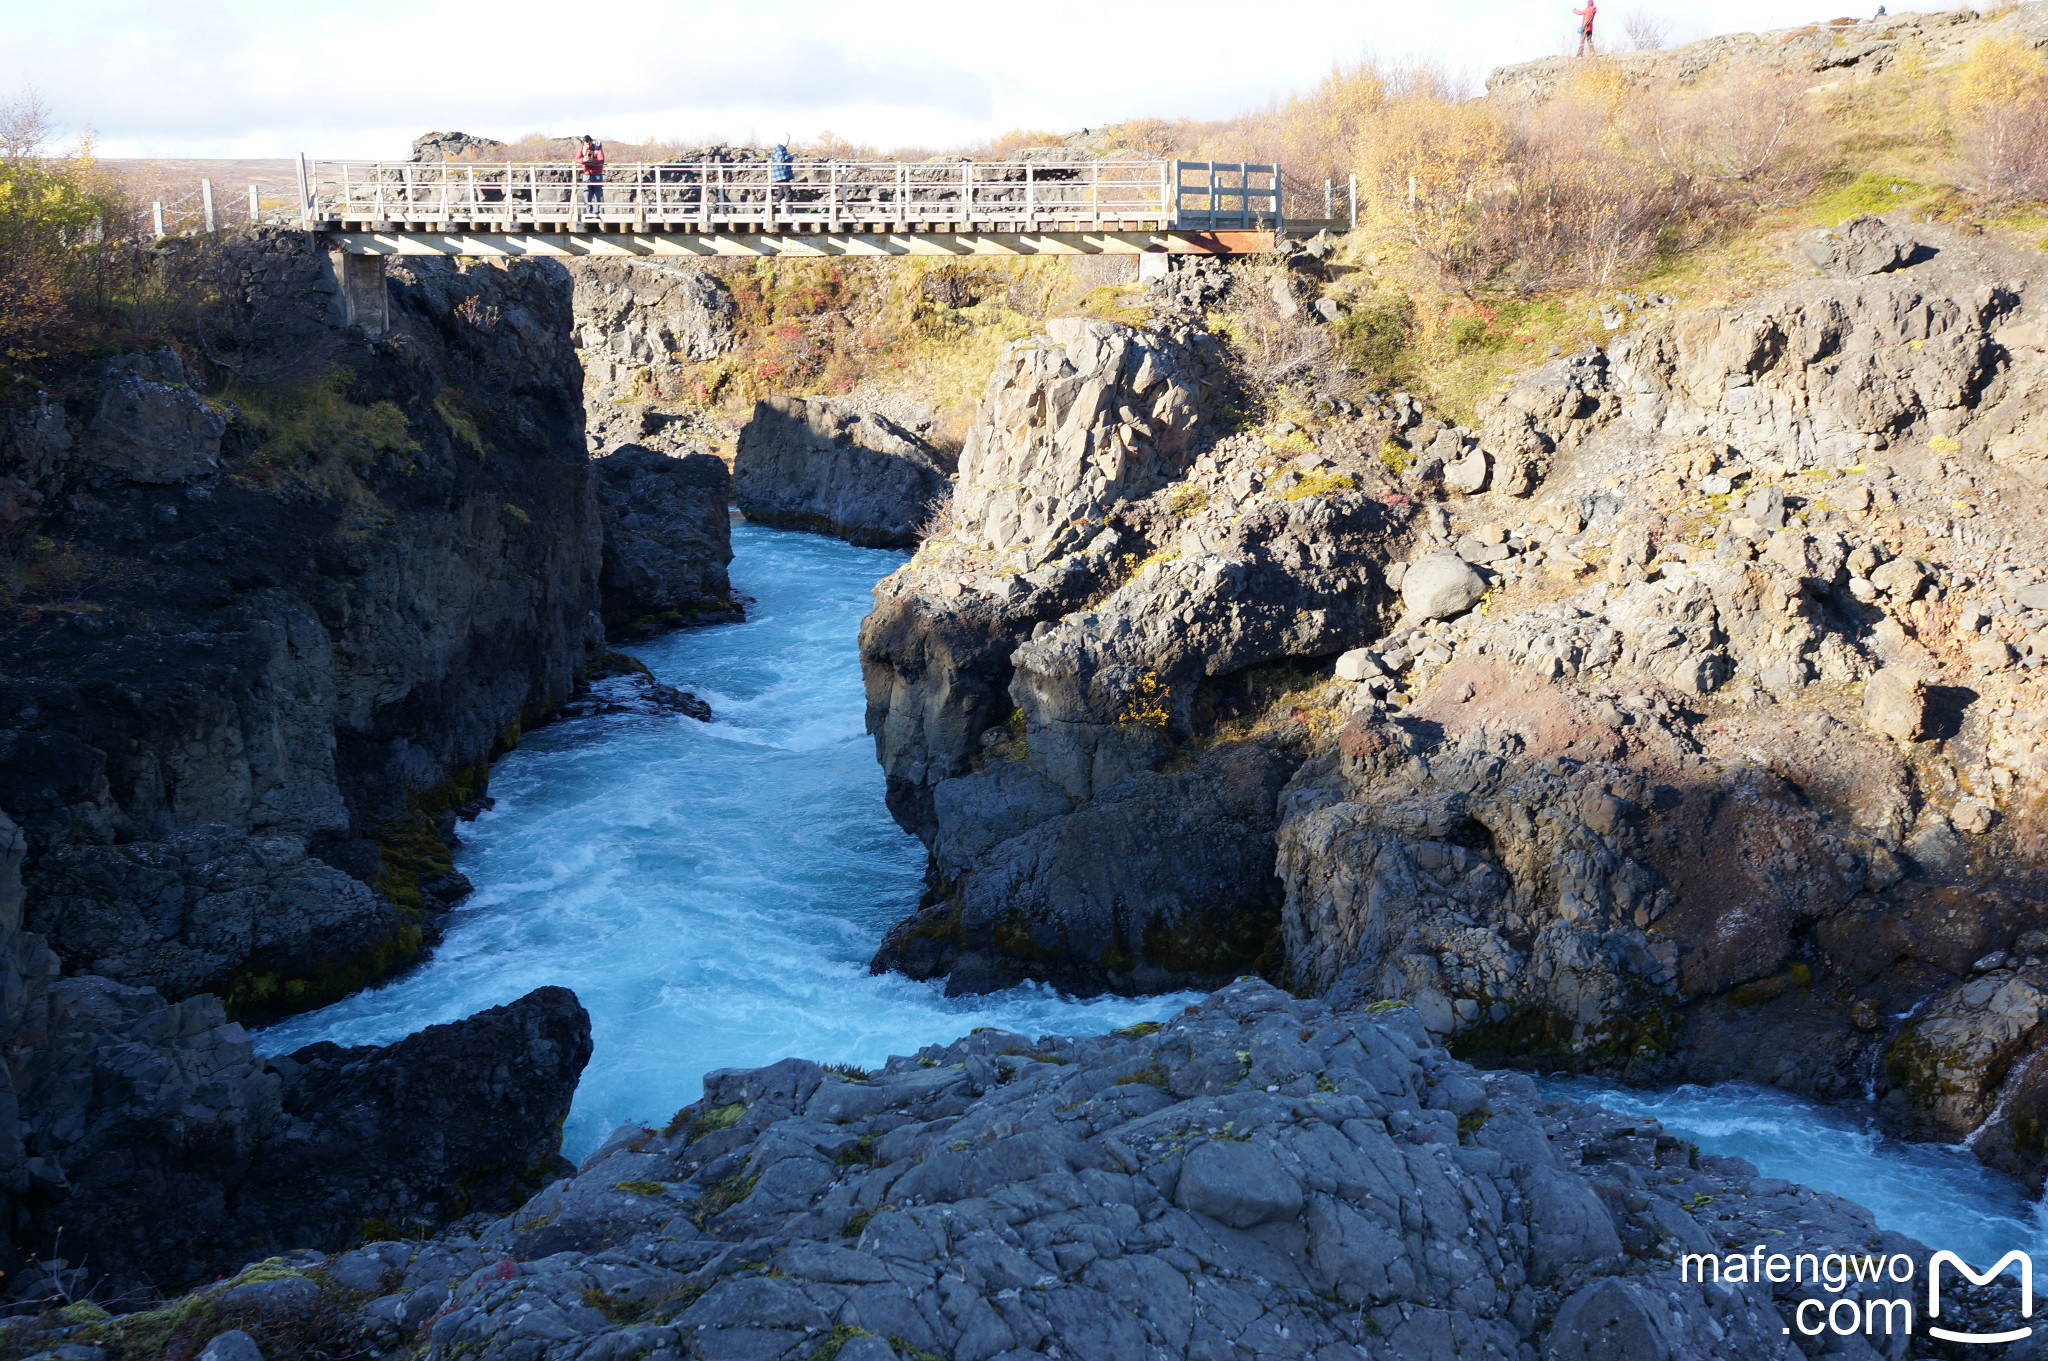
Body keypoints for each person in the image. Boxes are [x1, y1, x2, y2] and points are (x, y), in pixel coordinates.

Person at [576, 135, 606, 212]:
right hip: (586, 175)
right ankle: (589, 213)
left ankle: (596, 213)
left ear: (591, 141)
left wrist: (593, 160)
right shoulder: (582, 148)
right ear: (584, 144)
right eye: (586, 144)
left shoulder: (597, 148)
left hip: (597, 175)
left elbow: (601, 160)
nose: (588, 146)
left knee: (597, 195)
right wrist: (584, 159)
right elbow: (577, 159)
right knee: (586, 194)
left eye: (589, 143)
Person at [768, 142, 793, 214]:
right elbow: (781, 160)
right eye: (787, 141)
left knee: (781, 194)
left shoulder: (780, 149)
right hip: (782, 174)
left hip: (782, 174)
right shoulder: (779, 149)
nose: (788, 142)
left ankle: (769, 209)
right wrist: (790, 156)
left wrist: (790, 157)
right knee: (788, 193)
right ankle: (790, 213)